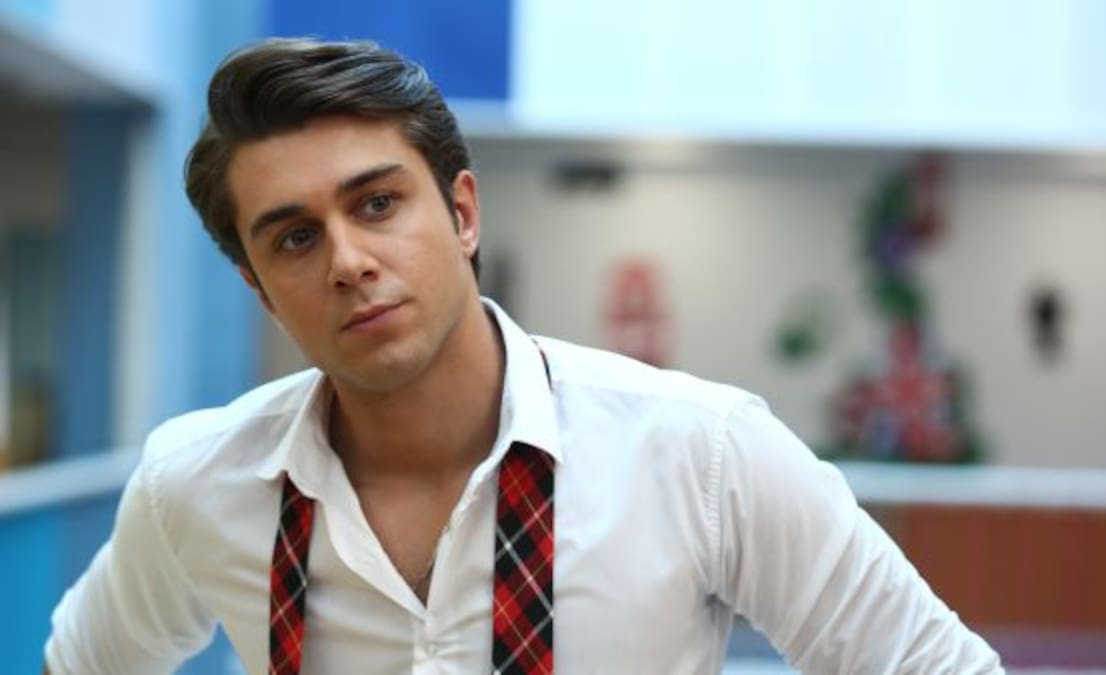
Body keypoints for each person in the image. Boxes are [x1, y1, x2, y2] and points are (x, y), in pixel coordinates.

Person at [44, 38, 1002, 674]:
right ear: (258, 285)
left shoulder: (702, 454)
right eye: (294, 237)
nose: (348, 261)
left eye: (377, 203)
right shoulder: (198, 483)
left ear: (463, 213)